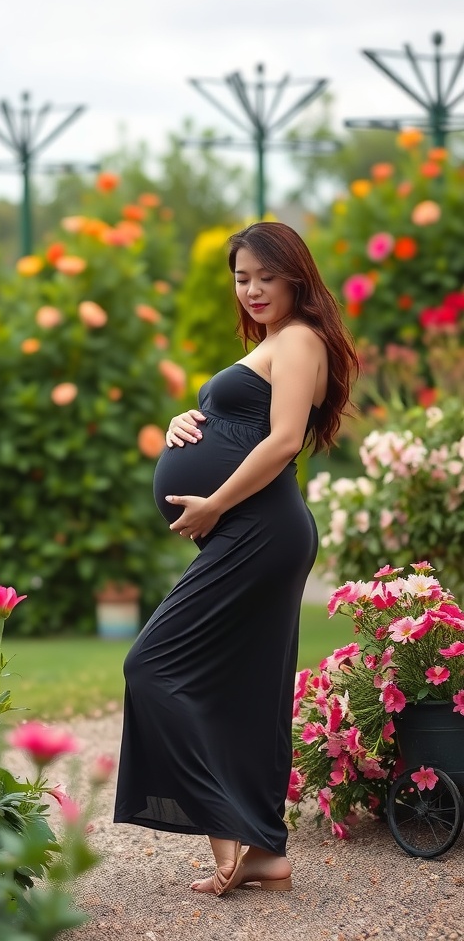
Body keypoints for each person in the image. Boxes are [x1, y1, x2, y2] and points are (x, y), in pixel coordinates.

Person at [114, 221, 359, 896]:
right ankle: (264, 852)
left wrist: (214, 503)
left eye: (264, 277)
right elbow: (240, 425)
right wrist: (183, 423)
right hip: (248, 529)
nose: (250, 289)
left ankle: (229, 828)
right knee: (246, 688)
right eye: (240, 277)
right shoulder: (278, 343)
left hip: (259, 528)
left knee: (151, 665)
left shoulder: (302, 339)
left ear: (296, 278)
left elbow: (282, 442)